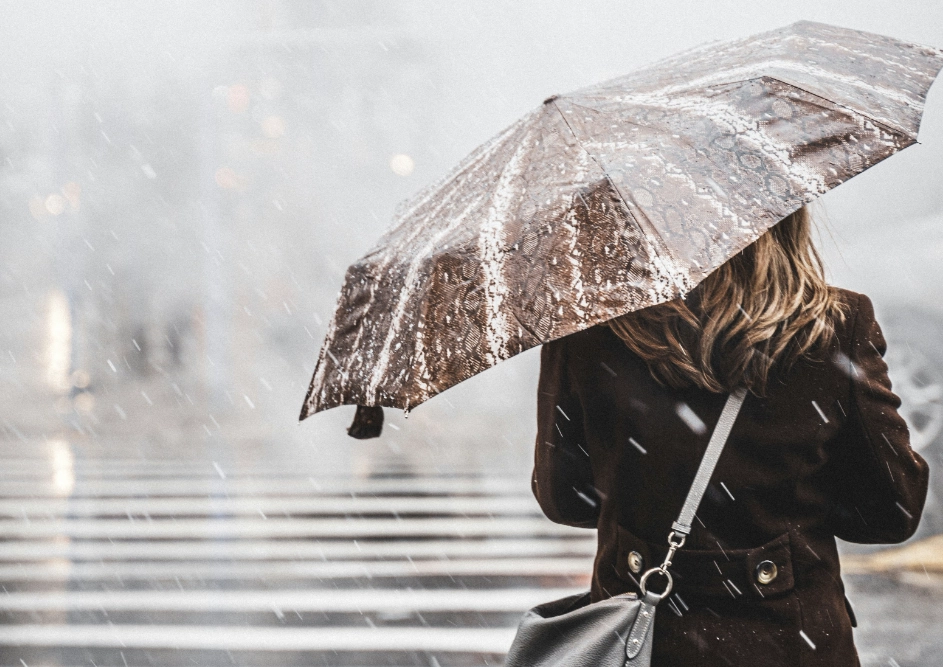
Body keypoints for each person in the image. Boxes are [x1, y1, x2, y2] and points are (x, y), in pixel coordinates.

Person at [531, 206, 929, 666]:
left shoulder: (589, 326)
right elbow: (889, 512)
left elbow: (566, 499)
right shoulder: (834, 327)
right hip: (788, 640)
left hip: (645, 643)